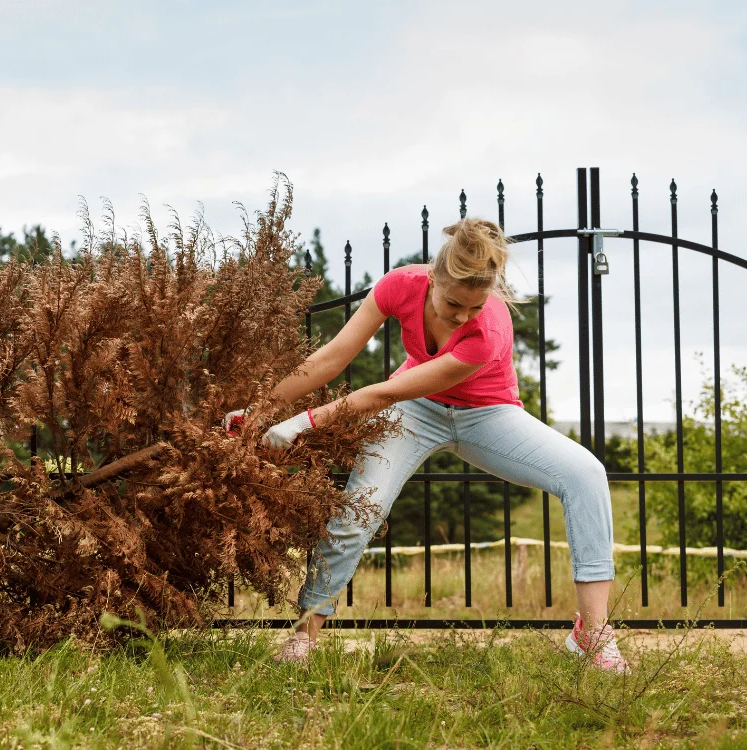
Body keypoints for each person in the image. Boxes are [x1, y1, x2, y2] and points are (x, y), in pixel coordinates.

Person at [224, 217, 629, 674]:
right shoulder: (400, 286)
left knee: (587, 475)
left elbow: (382, 394)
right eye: (454, 303)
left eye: (473, 308)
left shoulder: (486, 333)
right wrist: (261, 409)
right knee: (362, 507)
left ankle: (592, 636)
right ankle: (304, 635)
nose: (461, 316)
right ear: (432, 278)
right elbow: (333, 356)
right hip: (416, 410)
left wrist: (306, 421)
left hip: (487, 414)